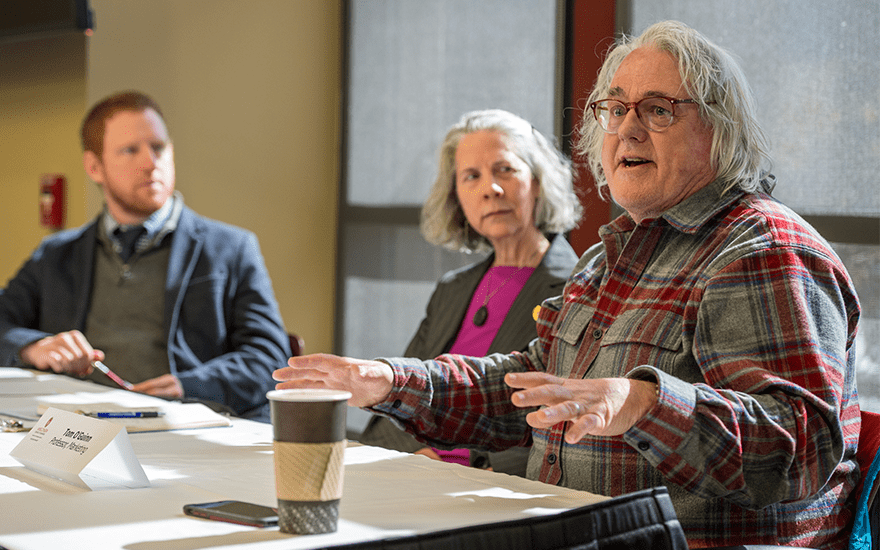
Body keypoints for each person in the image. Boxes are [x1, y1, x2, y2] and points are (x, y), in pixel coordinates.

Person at [274, 20, 861, 549]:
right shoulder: (611, 254)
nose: (628, 129)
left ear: (718, 129)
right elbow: (528, 390)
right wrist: (390, 381)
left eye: (658, 109)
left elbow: (796, 450)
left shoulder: (762, 250)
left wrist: (644, 403)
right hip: (569, 527)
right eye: (616, 108)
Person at [0, 90, 290, 421]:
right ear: (95, 167)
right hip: (80, 428)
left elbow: (269, 358)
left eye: (159, 147)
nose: (150, 163)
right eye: (130, 151)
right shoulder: (56, 255)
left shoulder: (232, 248)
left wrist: (188, 385)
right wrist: (32, 347)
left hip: (188, 425)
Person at [357, 109, 581, 476]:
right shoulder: (452, 289)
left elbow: (566, 419)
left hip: (495, 487)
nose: (490, 189)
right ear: (457, 196)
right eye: (471, 176)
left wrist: (475, 467)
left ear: (537, 182)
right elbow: (397, 398)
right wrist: (417, 456)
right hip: (420, 476)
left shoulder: (578, 286)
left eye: (505, 170)